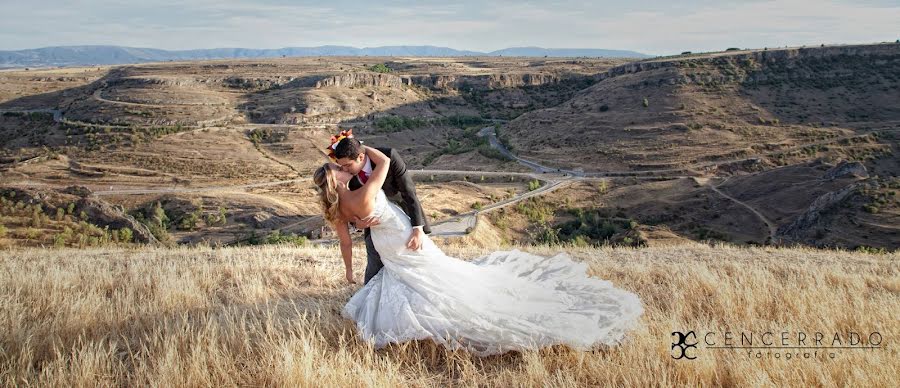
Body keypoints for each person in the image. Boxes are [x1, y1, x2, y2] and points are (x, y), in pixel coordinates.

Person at [313, 146, 644, 356]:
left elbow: (346, 239)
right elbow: (384, 159)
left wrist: (349, 270)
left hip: (387, 242)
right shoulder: (365, 187)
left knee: (407, 276)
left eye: (344, 164)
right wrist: (362, 146)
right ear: (340, 177)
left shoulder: (338, 206)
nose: (344, 169)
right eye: (339, 169)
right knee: (432, 271)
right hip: (397, 234)